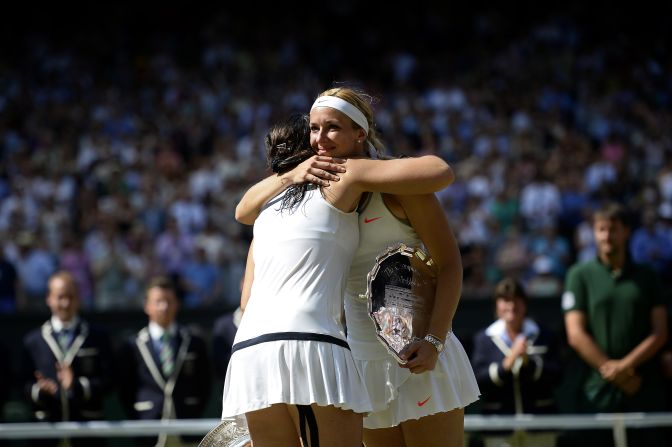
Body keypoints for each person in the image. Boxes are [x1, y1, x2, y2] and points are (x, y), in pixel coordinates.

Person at [233, 87, 477, 447]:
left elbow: (450, 264)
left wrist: (433, 340)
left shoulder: (398, 184)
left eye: (332, 128)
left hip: (419, 351)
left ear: (360, 133)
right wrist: (290, 175)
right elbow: (243, 212)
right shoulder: (312, 195)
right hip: (358, 361)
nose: (320, 139)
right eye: (314, 129)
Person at [563, 202, 668, 446]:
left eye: (613, 229)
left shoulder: (648, 275)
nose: (607, 236)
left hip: (643, 387)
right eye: (601, 229)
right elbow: (575, 334)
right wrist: (614, 371)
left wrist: (625, 367)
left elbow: (660, 332)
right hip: (597, 391)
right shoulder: (579, 275)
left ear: (627, 232)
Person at [20, 271, 115, 447]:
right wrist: (40, 390)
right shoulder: (33, 341)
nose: (65, 303)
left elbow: (109, 380)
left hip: (87, 435)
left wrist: (77, 386)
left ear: (79, 298)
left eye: (71, 297)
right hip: (46, 434)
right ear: (49, 298)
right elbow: (21, 384)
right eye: (60, 297)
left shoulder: (98, 337)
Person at [118, 276, 212, 447]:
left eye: (169, 301)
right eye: (159, 301)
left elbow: (204, 384)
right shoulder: (132, 345)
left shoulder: (194, 342)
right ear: (147, 306)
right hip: (149, 431)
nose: (164, 307)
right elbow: (125, 389)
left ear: (177, 304)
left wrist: (191, 409)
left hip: (187, 429)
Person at [470, 277, 561, 447]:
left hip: (540, 426)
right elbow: (478, 380)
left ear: (525, 304)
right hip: (499, 428)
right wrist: (507, 364)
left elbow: (557, 375)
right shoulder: (483, 339)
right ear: (496, 305)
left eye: (516, 300)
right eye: (505, 300)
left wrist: (529, 364)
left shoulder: (544, 335)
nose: (511, 306)